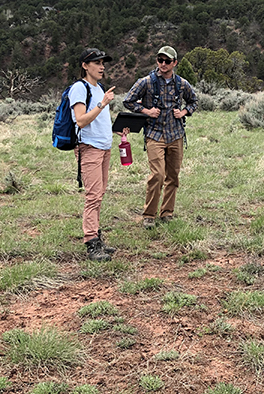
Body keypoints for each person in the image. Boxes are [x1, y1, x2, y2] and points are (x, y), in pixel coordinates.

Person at [123, 45, 198, 228]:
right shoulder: (146, 82)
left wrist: (184, 112)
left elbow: (194, 101)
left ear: (174, 63)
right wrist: (146, 111)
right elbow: (128, 101)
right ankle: (149, 215)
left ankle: (167, 213)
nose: (163, 64)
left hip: (176, 135)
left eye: (167, 61)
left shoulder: (181, 83)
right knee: (157, 174)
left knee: (173, 176)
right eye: (160, 60)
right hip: (154, 135)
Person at [70, 47, 120, 261]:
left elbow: (98, 120)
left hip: (104, 147)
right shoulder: (79, 89)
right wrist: (102, 104)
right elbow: (81, 119)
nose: (102, 67)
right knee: (93, 196)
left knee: (99, 194)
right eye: (97, 63)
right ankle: (91, 243)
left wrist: (117, 129)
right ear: (84, 66)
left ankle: (97, 237)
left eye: (103, 63)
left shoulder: (99, 88)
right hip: (89, 148)